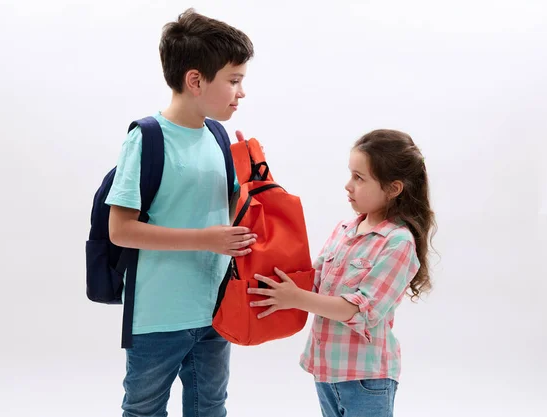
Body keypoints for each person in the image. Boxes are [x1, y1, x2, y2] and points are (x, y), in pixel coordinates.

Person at [105, 9, 256, 417]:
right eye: (234, 80)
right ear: (195, 80)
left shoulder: (218, 135)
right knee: (144, 409)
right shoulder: (147, 138)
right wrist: (206, 239)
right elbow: (121, 230)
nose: (240, 92)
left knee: (210, 408)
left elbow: (231, 212)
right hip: (157, 316)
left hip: (214, 309)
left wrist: (256, 182)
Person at [248, 129, 437, 417]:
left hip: (365, 378)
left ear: (393, 188)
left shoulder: (397, 242)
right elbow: (313, 281)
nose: (348, 185)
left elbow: (359, 310)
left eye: (359, 178)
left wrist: (294, 298)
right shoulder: (345, 230)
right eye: (351, 174)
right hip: (327, 371)